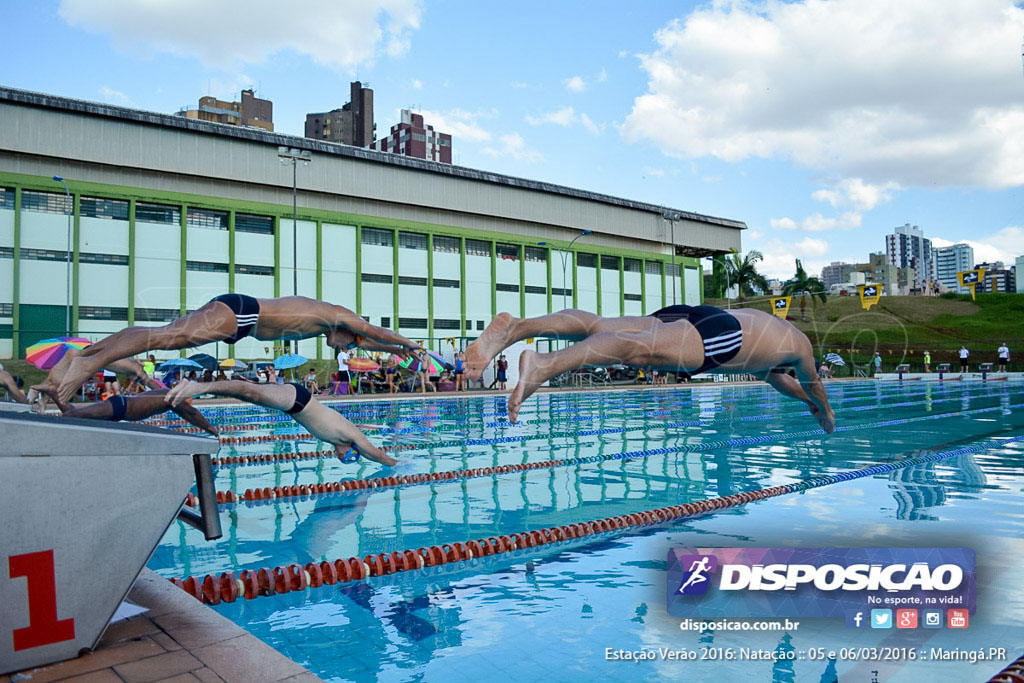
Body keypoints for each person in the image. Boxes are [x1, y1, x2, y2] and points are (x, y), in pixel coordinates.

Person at [464, 306, 835, 431]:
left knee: (600, 325)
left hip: (704, 314)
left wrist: (807, 404)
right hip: (725, 336)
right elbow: (812, 382)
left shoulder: (774, 347)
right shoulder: (802, 347)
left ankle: (517, 329)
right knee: (636, 352)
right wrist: (825, 411)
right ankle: (545, 365)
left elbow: (782, 383)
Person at [47, 294, 425, 402]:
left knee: (161, 334)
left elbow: (370, 340)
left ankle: (77, 356)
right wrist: (407, 341)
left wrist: (395, 353)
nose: (350, 346)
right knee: (162, 337)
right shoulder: (340, 314)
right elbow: (373, 331)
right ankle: (86, 364)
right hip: (243, 313)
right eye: (353, 340)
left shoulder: (331, 324)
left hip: (239, 322)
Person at [165, 379, 396, 466]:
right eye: (346, 457)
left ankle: (203, 387)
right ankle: (199, 386)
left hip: (294, 404)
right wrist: (398, 465)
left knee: (248, 394)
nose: (340, 456)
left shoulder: (336, 439)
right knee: (251, 393)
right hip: (299, 399)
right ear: (351, 450)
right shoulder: (352, 435)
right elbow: (376, 455)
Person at [33, 385, 218, 436]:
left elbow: (189, 416)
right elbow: (192, 413)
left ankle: (53, 394)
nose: (190, 401)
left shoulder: (172, 399)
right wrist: (210, 429)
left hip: (121, 410)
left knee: (77, 417)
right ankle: (52, 392)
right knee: (72, 415)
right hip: (120, 405)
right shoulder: (173, 396)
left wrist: (205, 428)